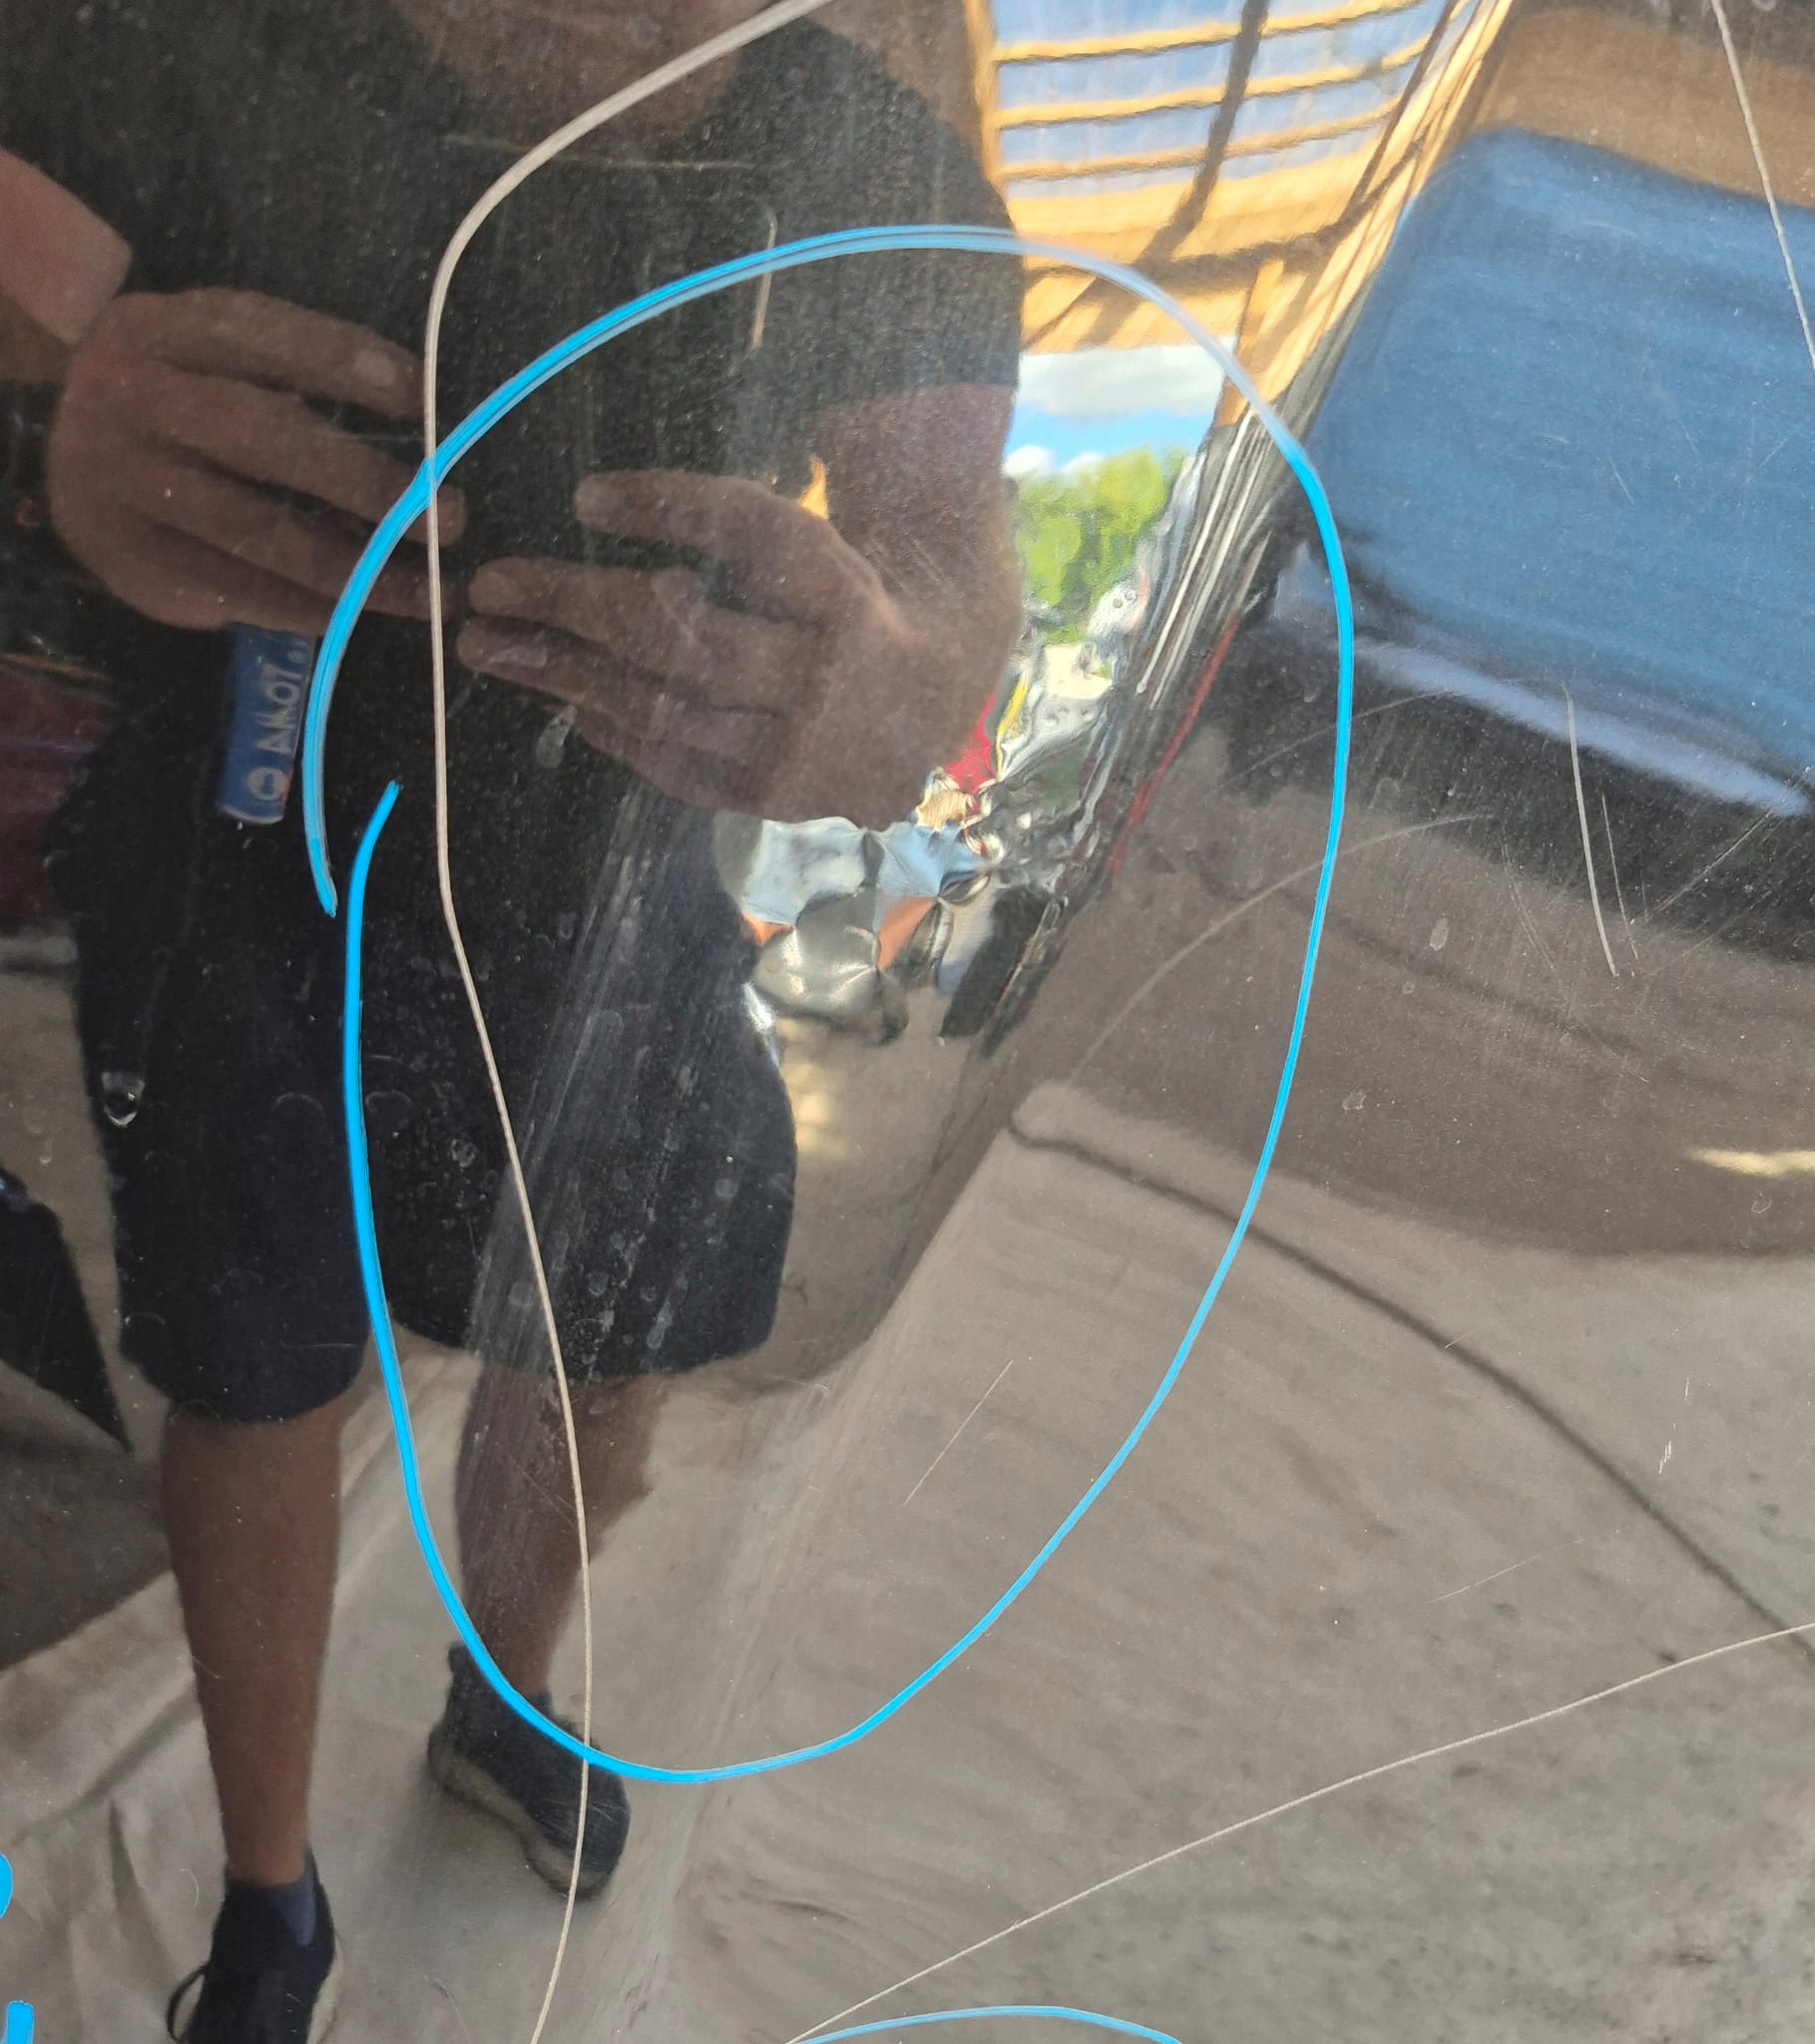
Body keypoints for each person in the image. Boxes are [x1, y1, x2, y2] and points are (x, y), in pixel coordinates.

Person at [0, 1, 1021, 2037]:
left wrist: (906, 674)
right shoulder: (148, 35)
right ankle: (273, 1898)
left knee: (608, 1327)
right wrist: (54, 447)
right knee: (251, 1366)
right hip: (237, 833)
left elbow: (950, 544)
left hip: (614, 863)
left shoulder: (871, 156)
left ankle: (503, 1689)